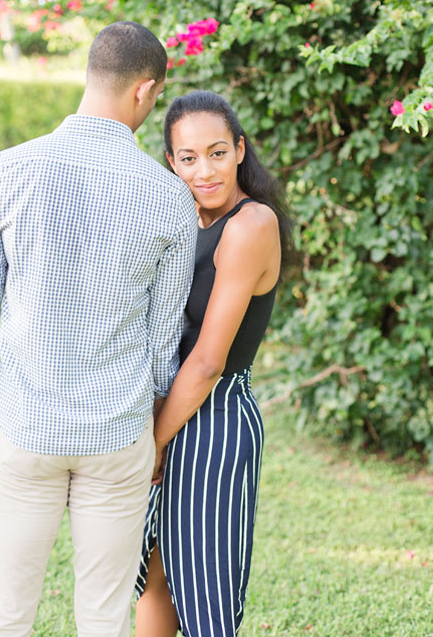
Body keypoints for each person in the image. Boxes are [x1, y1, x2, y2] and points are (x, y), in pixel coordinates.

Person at [0, 21, 198, 637]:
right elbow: (162, 338)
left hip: (26, 425)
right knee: (106, 616)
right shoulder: (170, 197)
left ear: (90, 75)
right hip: (118, 436)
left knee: (4, 615)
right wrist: (154, 432)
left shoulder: (5, 171)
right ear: (146, 91)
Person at [134, 90, 291, 637]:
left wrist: (151, 442)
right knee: (154, 575)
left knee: (205, 601)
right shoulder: (185, 223)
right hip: (168, 415)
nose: (205, 170)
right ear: (171, 161)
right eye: (188, 157)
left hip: (214, 422)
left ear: (241, 150)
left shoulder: (251, 225)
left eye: (218, 153)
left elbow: (206, 362)